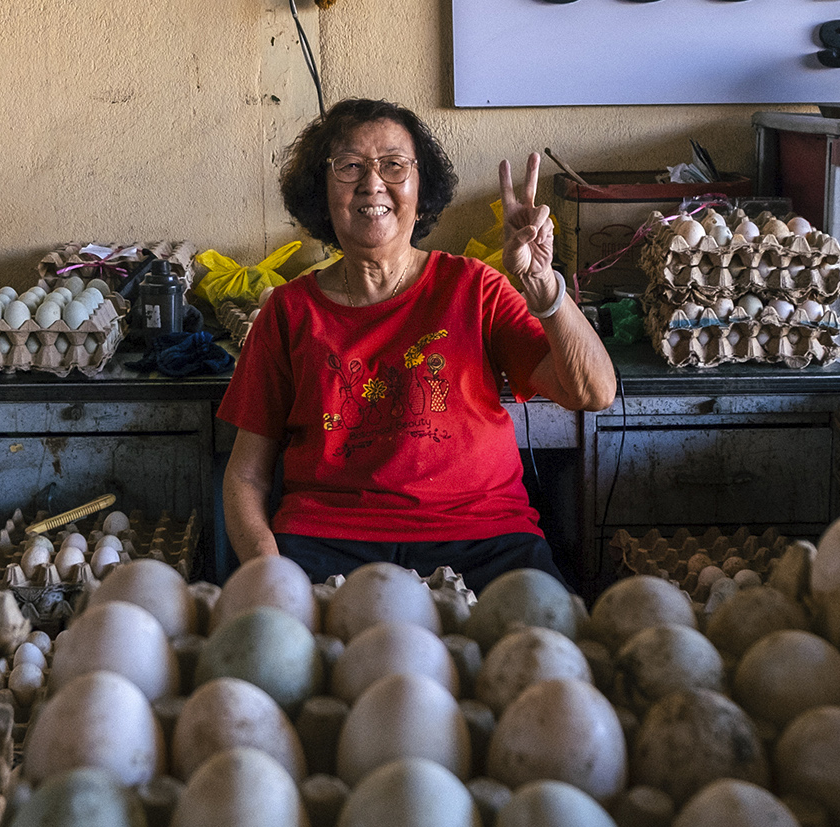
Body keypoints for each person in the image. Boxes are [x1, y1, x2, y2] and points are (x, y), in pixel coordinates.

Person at [219, 97, 618, 587]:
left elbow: (593, 393)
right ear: (320, 191)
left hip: (482, 538)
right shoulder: (288, 311)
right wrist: (267, 572)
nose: (372, 183)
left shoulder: (474, 288)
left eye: (393, 165)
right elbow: (246, 477)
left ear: (419, 185)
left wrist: (542, 286)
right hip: (328, 544)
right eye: (349, 166)